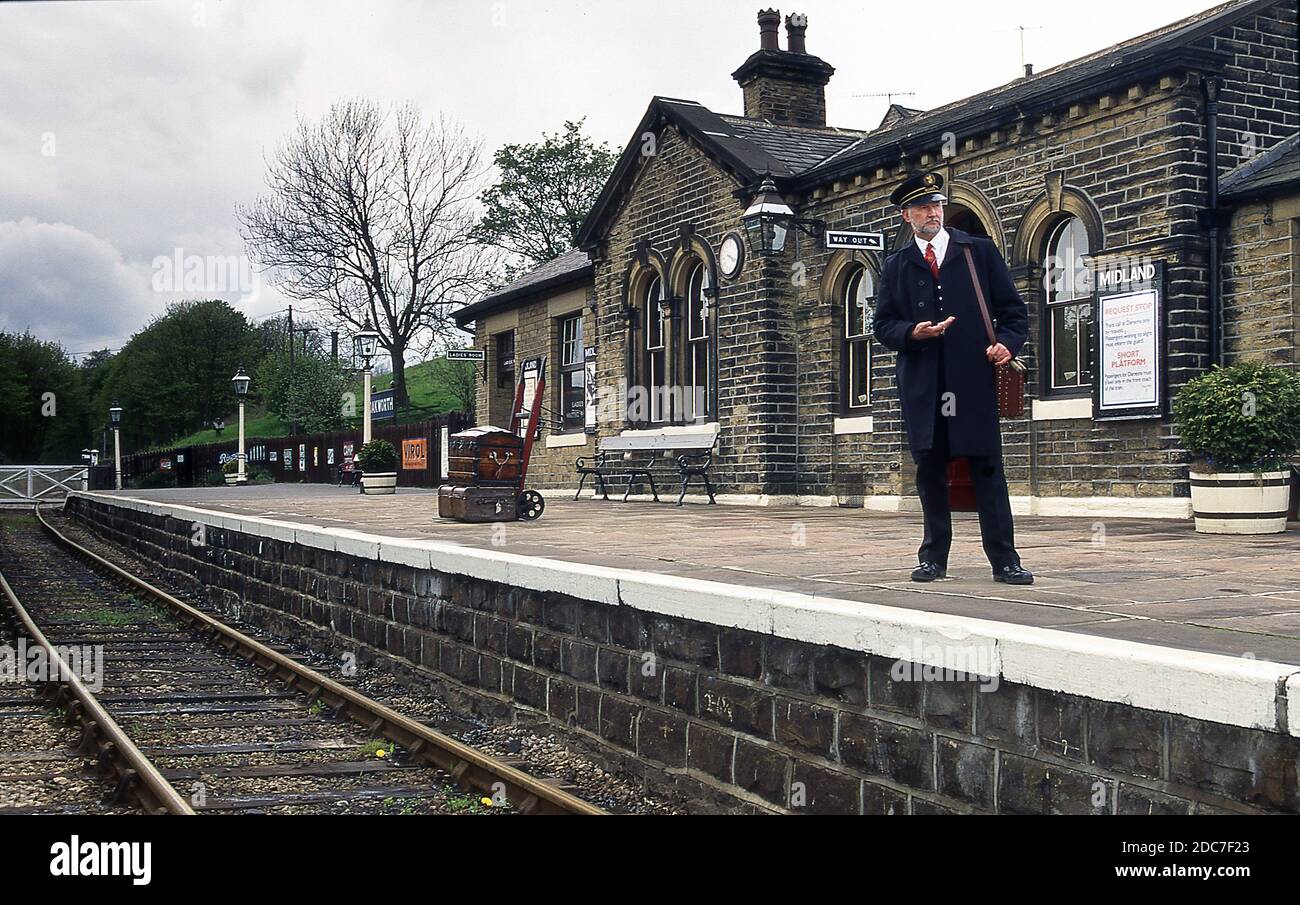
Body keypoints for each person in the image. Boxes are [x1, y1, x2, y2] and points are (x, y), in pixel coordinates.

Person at [871, 171, 1034, 585]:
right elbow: (883, 325)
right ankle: (933, 558)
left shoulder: (978, 251)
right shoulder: (896, 265)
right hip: (924, 385)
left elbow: (1014, 314)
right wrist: (912, 332)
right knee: (930, 470)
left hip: (973, 380)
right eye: (923, 207)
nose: (933, 212)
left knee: (987, 469)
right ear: (906, 215)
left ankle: (1005, 560)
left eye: (937, 204)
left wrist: (1007, 346)